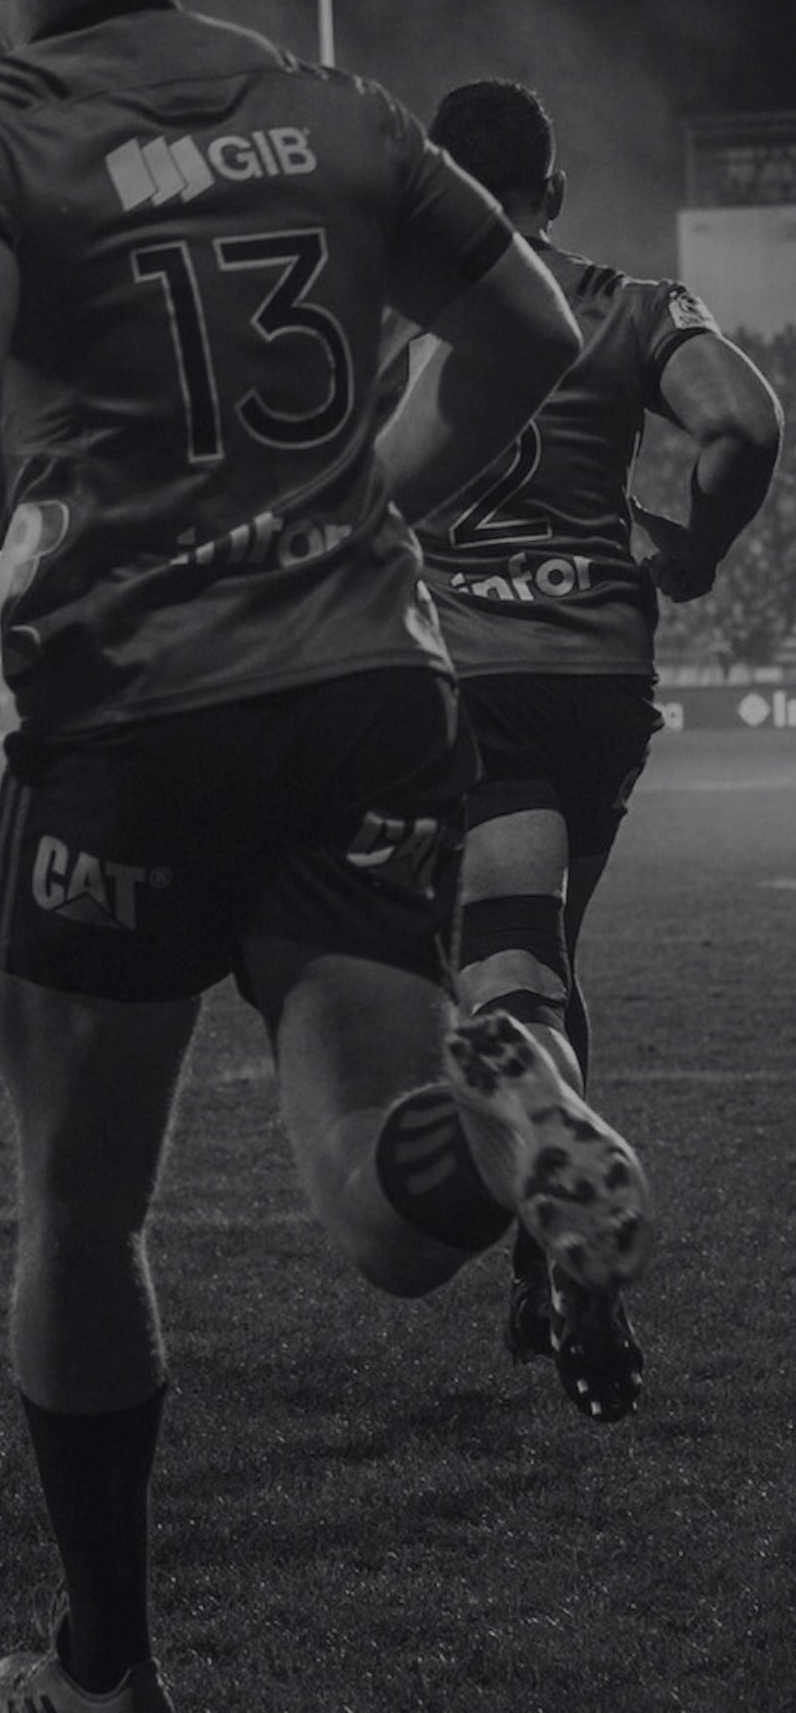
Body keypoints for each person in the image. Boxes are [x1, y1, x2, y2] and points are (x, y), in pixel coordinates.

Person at [0, 0, 649, 1707]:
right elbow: (526, 320)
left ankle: (106, 1673)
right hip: (370, 696)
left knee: (83, 1207)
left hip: (139, 713)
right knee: (387, 1208)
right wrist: (369, 493)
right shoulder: (331, 106)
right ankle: (510, 1122)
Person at [391, 80, 785, 1420]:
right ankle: (544, 1256)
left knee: (500, 970)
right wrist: (694, 548)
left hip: (460, 677)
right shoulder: (631, 301)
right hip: (600, 684)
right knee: (546, 958)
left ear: (439, 189)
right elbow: (745, 421)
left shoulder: (398, 313)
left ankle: (551, 1219)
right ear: (550, 194)